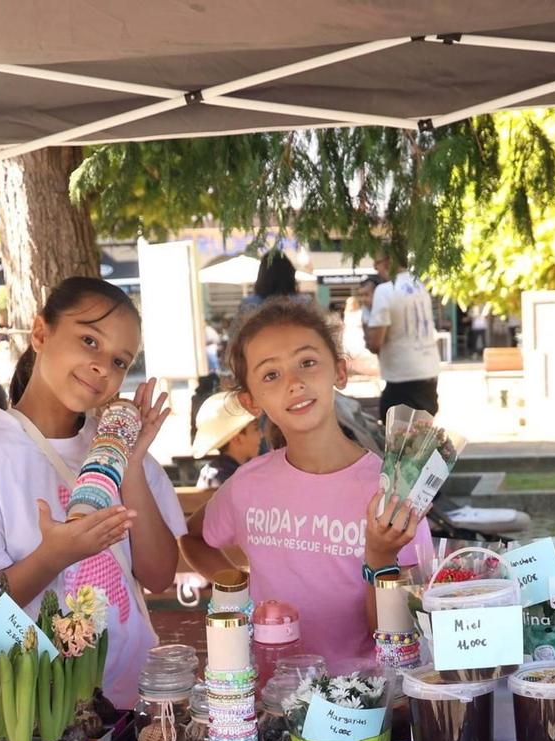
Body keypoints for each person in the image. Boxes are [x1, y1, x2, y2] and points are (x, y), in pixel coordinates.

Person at [0, 277, 184, 709]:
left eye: (121, 362)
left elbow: (160, 575)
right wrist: (55, 555)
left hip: (135, 698)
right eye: (89, 340)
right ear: (40, 333)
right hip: (43, 710)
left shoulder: (125, 451)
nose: (103, 368)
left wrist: (128, 463)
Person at [182, 298, 430, 664]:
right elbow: (193, 537)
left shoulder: (392, 489)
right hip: (273, 701)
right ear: (252, 401)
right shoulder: (248, 485)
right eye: (271, 374)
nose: (294, 383)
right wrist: (237, 588)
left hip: (365, 707)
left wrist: (380, 557)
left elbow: (400, 643)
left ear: (340, 372)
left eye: (307, 363)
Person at [365, 254, 441, 419]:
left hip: (403, 374)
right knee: (422, 433)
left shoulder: (385, 290)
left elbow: (375, 342)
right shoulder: (419, 285)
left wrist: (367, 323)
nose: (375, 268)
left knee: (398, 435)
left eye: (377, 263)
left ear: (387, 261)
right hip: (428, 369)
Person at [191, 391, 264, 489]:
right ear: (237, 439)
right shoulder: (233, 480)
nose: (261, 435)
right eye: (255, 429)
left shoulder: (216, 471)